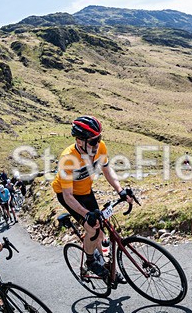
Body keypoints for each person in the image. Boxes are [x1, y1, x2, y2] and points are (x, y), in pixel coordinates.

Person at [52, 115, 133, 279]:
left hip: (86, 191)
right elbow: (68, 196)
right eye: (93, 141)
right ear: (79, 141)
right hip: (69, 196)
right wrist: (86, 214)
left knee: (101, 231)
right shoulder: (67, 159)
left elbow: (107, 171)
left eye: (99, 138)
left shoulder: (100, 147)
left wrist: (120, 190)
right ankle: (90, 261)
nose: (97, 144)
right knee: (92, 228)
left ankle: (106, 265)